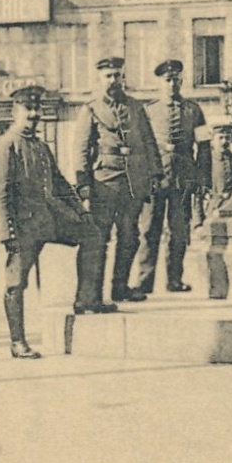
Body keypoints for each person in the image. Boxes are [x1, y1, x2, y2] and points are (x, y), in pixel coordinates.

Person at [0, 84, 94, 359]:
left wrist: (80, 212)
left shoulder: (41, 146)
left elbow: (59, 183)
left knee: (92, 235)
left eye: (37, 109)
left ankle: (85, 299)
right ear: (15, 111)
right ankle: (17, 341)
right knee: (15, 283)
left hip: (49, 219)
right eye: (28, 109)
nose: (34, 114)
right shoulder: (5, 147)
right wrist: (8, 232)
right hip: (23, 228)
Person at [71, 57, 162, 310]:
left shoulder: (135, 108)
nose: (113, 80)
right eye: (108, 76)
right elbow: (80, 150)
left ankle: (120, 287)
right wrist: (82, 184)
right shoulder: (90, 110)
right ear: (99, 79)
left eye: (117, 75)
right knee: (98, 240)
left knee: (130, 236)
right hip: (104, 183)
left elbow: (149, 142)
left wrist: (154, 175)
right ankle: (91, 296)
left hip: (133, 183)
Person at [133, 59, 207, 295]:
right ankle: (144, 281)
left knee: (179, 231)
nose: (172, 84)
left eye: (176, 79)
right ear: (160, 83)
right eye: (167, 80)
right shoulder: (149, 111)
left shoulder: (194, 110)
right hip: (155, 177)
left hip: (183, 178)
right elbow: (140, 146)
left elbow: (204, 147)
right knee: (149, 230)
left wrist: (202, 179)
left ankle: (175, 279)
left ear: (181, 81)